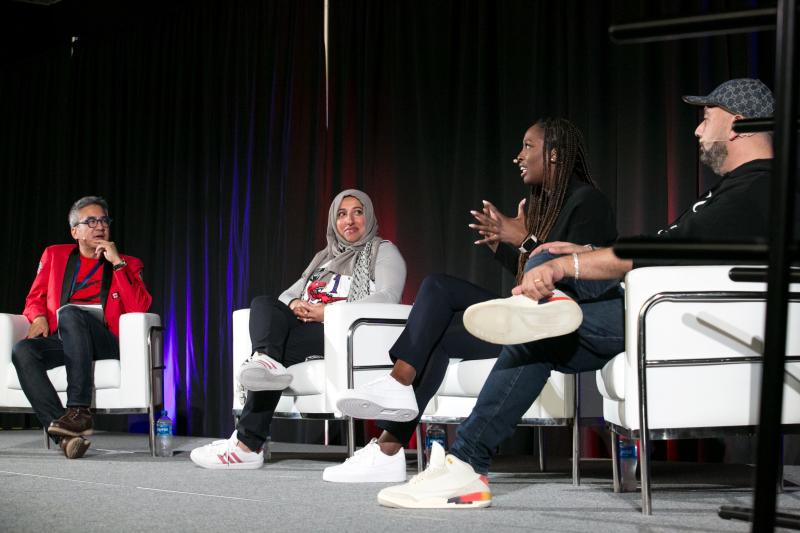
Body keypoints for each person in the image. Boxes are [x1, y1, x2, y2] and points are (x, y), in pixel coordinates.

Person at [375, 78, 776, 509]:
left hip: (671, 316)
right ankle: (465, 464)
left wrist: (570, 264)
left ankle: (465, 465)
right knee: (538, 318)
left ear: (738, 123)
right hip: (652, 307)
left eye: (706, 117)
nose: (698, 130)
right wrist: (578, 252)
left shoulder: (756, 188)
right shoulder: (737, 187)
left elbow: (658, 253)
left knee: (540, 308)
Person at [329, 118, 617, 483]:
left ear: (555, 154)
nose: (519, 156)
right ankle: (389, 443)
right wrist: (506, 247)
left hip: (557, 325)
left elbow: (572, 279)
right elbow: (531, 275)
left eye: (528, 146)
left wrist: (523, 240)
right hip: (529, 313)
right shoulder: (546, 206)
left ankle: (396, 397)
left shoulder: (587, 202)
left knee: (437, 289)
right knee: (438, 320)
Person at [190, 189, 407, 469]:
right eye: (341, 214)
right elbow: (286, 296)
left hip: (345, 334)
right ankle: (265, 361)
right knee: (264, 304)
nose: (349, 220)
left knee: (276, 349)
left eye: (357, 212)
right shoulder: (323, 258)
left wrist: (327, 313)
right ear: (333, 221)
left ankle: (247, 443)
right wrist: (296, 304)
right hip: (306, 329)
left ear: (369, 215)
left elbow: (388, 297)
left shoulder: (382, 250)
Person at [12, 196, 153, 459]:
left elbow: (139, 310)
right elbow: (34, 299)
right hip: (67, 339)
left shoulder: (128, 263)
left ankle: (79, 410)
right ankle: (66, 437)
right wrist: (39, 317)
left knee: (69, 313)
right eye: (91, 221)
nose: (100, 226)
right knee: (23, 350)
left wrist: (117, 264)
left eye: (104, 220)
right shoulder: (55, 255)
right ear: (75, 231)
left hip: (105, 342)